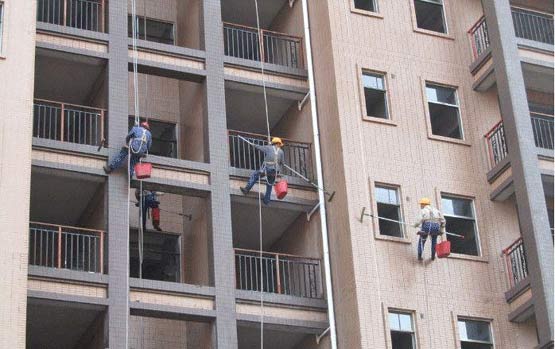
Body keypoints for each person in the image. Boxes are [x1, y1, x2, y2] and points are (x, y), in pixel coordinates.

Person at [240, 137, 285, 205]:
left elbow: (260, 148)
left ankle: (247, 189)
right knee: (269, 184)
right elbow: (282, 163)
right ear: (278, 144)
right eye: (279, 144)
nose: (279, 145)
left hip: (268, 169)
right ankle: (266, 200)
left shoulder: (269, 148)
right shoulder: (281, 152)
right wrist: (279, 172)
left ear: (273, 143)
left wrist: (254, 145)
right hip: (275, 171)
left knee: (255, 175)